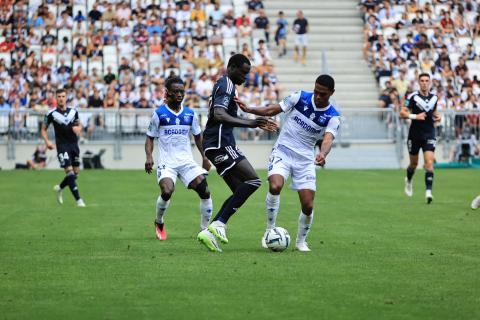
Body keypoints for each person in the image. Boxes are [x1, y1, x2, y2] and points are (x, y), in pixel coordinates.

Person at [235, 75, 340, 252]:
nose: (318, 96)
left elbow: (328, 139)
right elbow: (273, 110)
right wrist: (250, 109)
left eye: (322, 94)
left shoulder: (333, 116)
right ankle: (269, 231)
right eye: (316, 91)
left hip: (305, 159)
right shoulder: (300, 97)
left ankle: (301, 241)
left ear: (331, 93)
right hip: (283, 150)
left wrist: (322, 153)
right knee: (275, 186)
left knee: (308, 205)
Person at [197, 53, 278, 252]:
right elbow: (219, 114)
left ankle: (209, 232)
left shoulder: (226, 85)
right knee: (253, 181)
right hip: (219, 143)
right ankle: (219, 224)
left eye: (247, 74)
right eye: (242, 73)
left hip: (217, 143)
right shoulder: (226, 85)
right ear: (231, 67)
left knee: (240, 189)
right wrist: (251, 123)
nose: (245, 77)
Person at [145, 76, 213, 241]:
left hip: (186, 162)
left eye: (182, 91)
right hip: (167, 163)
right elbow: (149, 138)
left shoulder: (190, 114)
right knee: (167, 191)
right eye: (175, 92)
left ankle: (204, 230)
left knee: (205, 191)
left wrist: (205, 156)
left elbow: (198, 137)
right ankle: (159, 222)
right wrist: (149, 157)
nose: (179, 95)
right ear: (167, 93)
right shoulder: (158, 114)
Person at [400, 73, 441, 204]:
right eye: (422, 81)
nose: (424, 83)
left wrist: (438, 116)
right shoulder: (413, 97)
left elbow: (433, 111)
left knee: (429, 162)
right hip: (415, 135)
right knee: (414, 164)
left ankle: (428, 192)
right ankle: (409, 180)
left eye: (426, 81)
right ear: (419, 82)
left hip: (429, 133)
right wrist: (415, 117)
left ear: (429, 83)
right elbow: (402, 113)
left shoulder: (434, 97)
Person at [40, 89, 86, 207]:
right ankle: (79, 201)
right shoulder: (51, 114)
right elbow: (43, 129)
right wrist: (47, 142)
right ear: (56, 98)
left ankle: (60, 188)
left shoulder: (73, 111)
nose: (61, 98)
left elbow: (78, 124)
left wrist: (79, 128)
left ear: (66, 98)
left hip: (74, 145)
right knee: (70, 173)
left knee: (75, 174)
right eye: (59, 96)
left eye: (63, 96)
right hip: (62, 146)